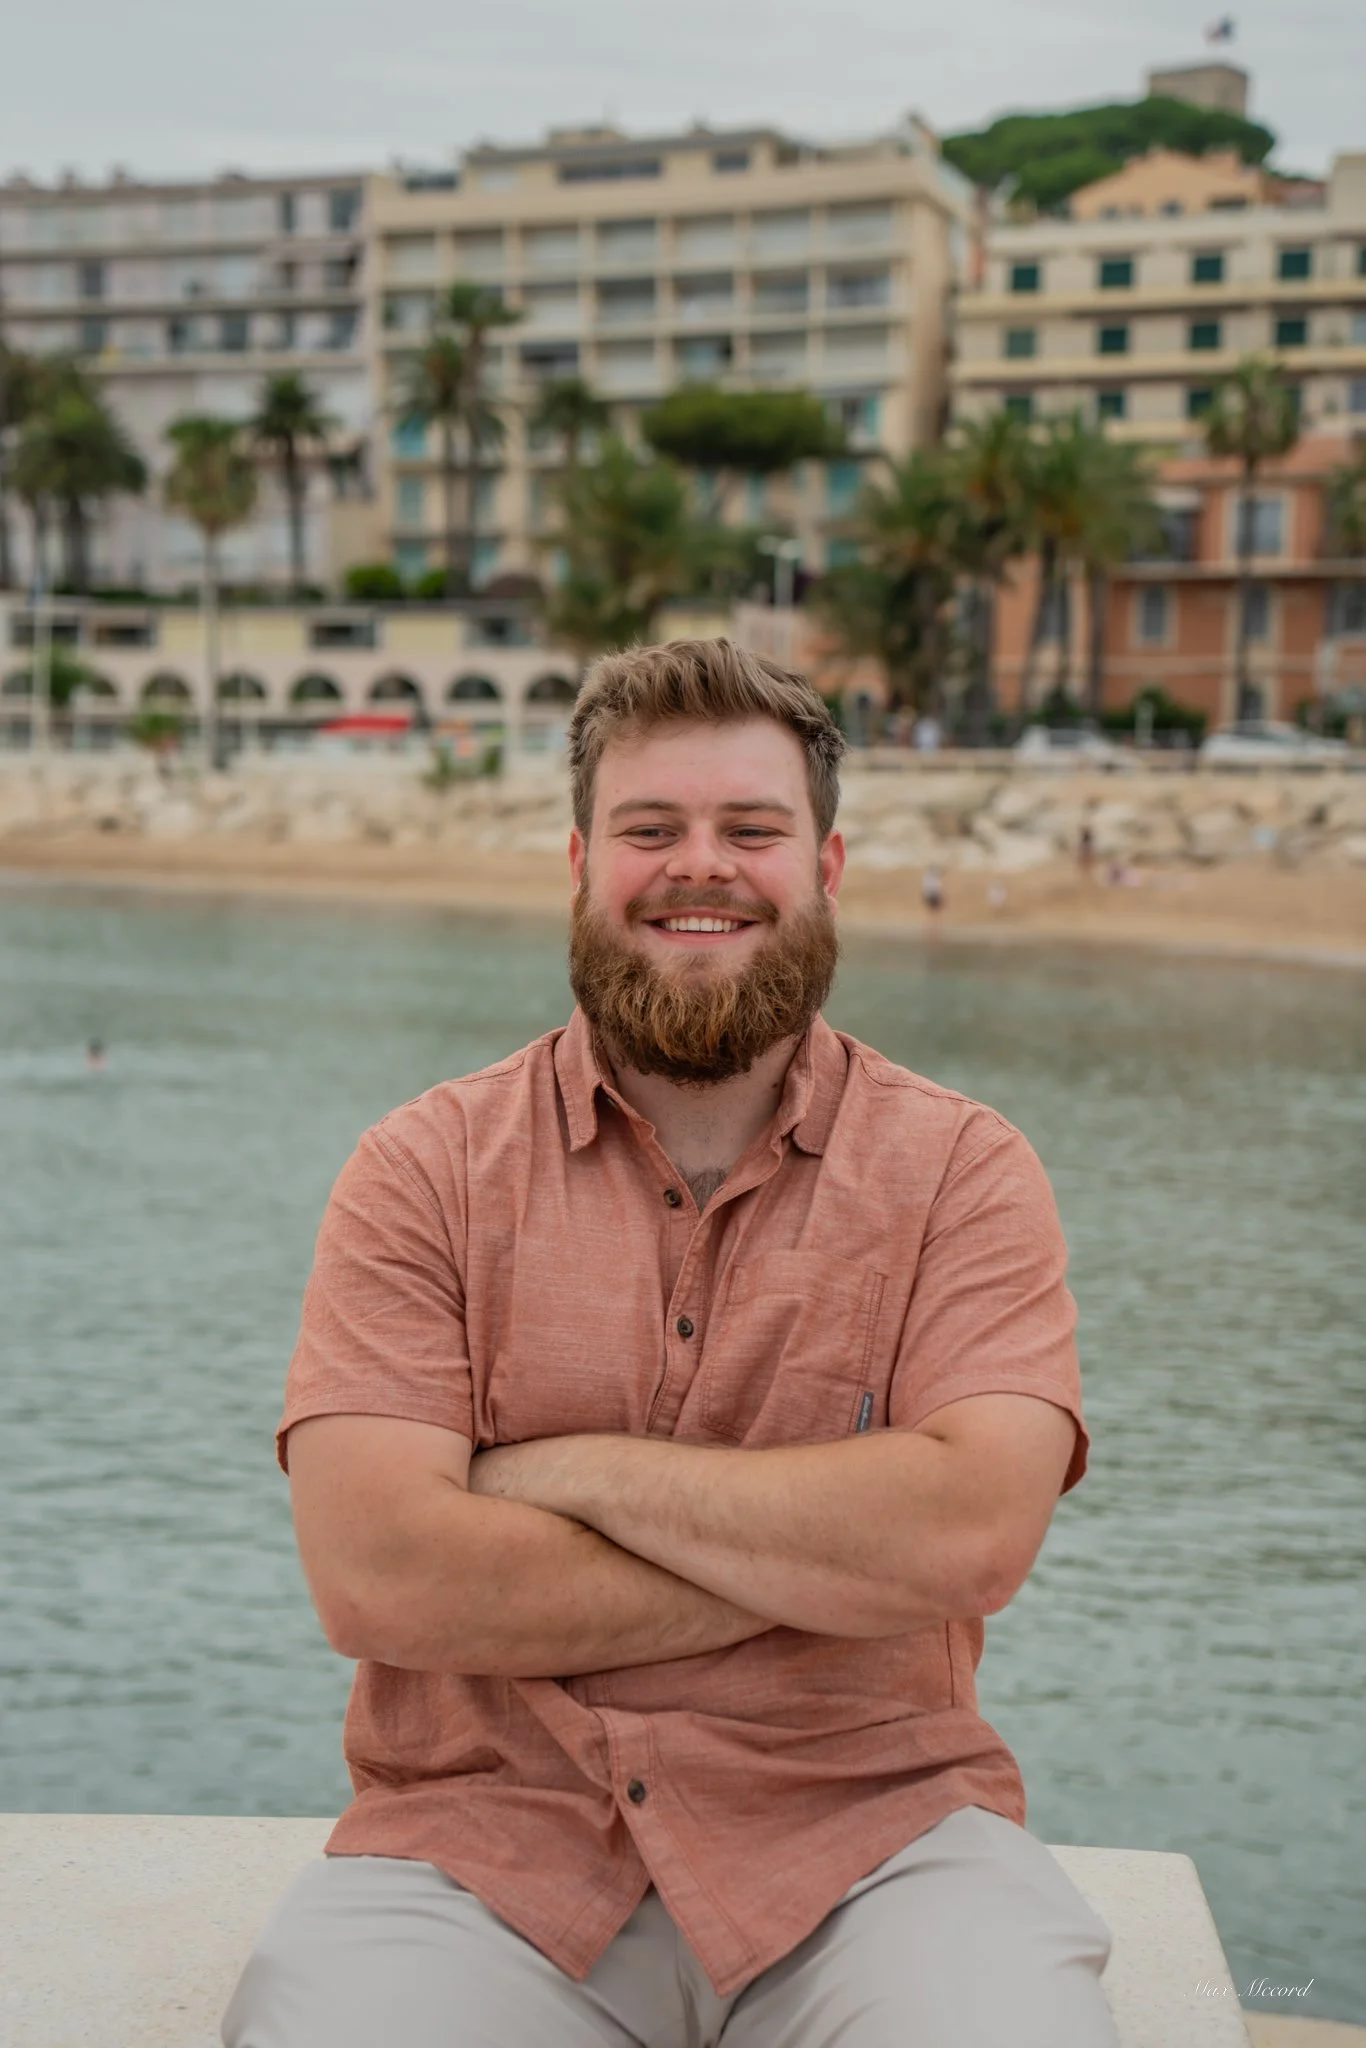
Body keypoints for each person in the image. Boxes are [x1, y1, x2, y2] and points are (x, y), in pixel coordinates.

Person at [224, 641, 1115, 2048]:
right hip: (482, 1850)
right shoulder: (423, 1169)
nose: (699, 868)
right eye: (651, 831)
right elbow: (378, 1573)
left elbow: (968, 1542)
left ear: (826, 868)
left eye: (749, 830)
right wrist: (831, 1560)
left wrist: (555, 1473)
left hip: (875, 1842)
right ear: (580, 863)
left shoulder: (962, 1171)